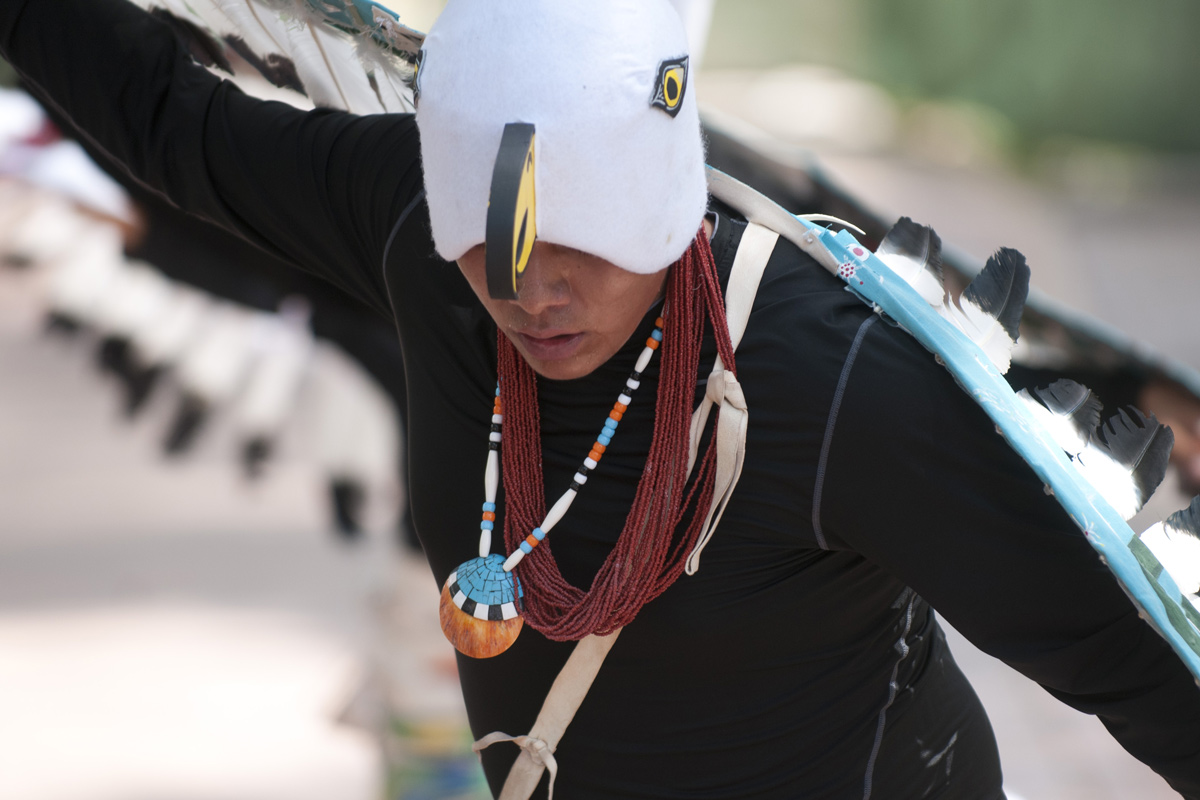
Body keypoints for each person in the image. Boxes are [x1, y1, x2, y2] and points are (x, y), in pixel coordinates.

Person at [4, 0, 1200, 797]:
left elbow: (1128, 655)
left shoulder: (833, 374)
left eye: (581, 240)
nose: (532, 293)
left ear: (664, 194)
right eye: (493, 247)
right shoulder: (420, 231)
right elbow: (176, 121)